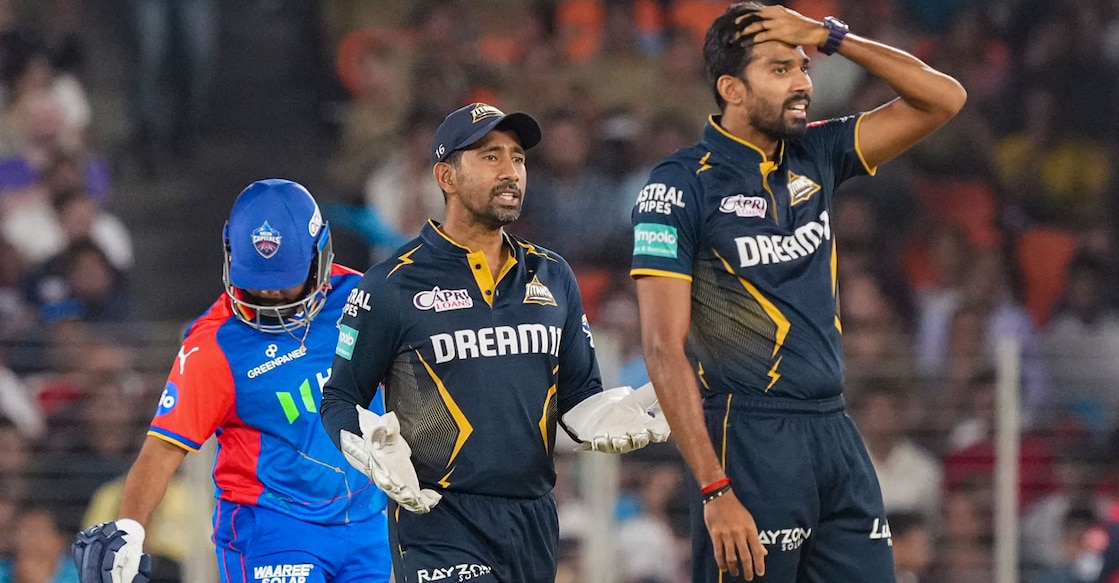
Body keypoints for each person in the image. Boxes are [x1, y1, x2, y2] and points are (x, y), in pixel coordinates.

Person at [630, 3, 966, 582]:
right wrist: (714, 490)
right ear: (731, 88)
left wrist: (831, 36)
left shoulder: (818, 151)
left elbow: (943, 99)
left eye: (805, 67)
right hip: (747, 435)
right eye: (781, 69)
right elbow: (663, 347)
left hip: (834, 428)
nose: (803, 83)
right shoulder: (678, 187)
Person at [320, 102, 670, 583]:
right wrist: (366, 446)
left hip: (533, 521)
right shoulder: (390, 286)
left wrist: (597, 414)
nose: (511, 172)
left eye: (519, 158)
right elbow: (340, 397)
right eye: (490, 157)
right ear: (446, 176)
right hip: (438, 519)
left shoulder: (553, 274)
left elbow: (578, 394)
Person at [71, 179, 391, 583]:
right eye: (258, 278)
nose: (272, 293)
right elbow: (160, 451)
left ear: (319, 256)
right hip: (273, 529)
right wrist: (130, 528)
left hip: (367, 525)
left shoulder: (365, 300)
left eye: (284, 277)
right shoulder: (214, 346)